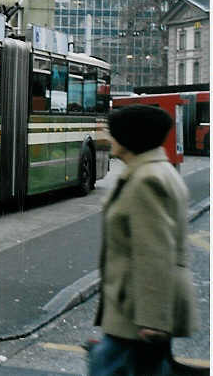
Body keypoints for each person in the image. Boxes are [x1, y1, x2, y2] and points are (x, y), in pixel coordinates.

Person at [89, 104, 196, 375]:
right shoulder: (157, 172)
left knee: (105, 364)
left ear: (129, 138)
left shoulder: (146, 181)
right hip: (139, 307)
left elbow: (154, 253)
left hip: (137, 311)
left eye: (114, 134)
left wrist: (152, 319)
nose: (109, 139)